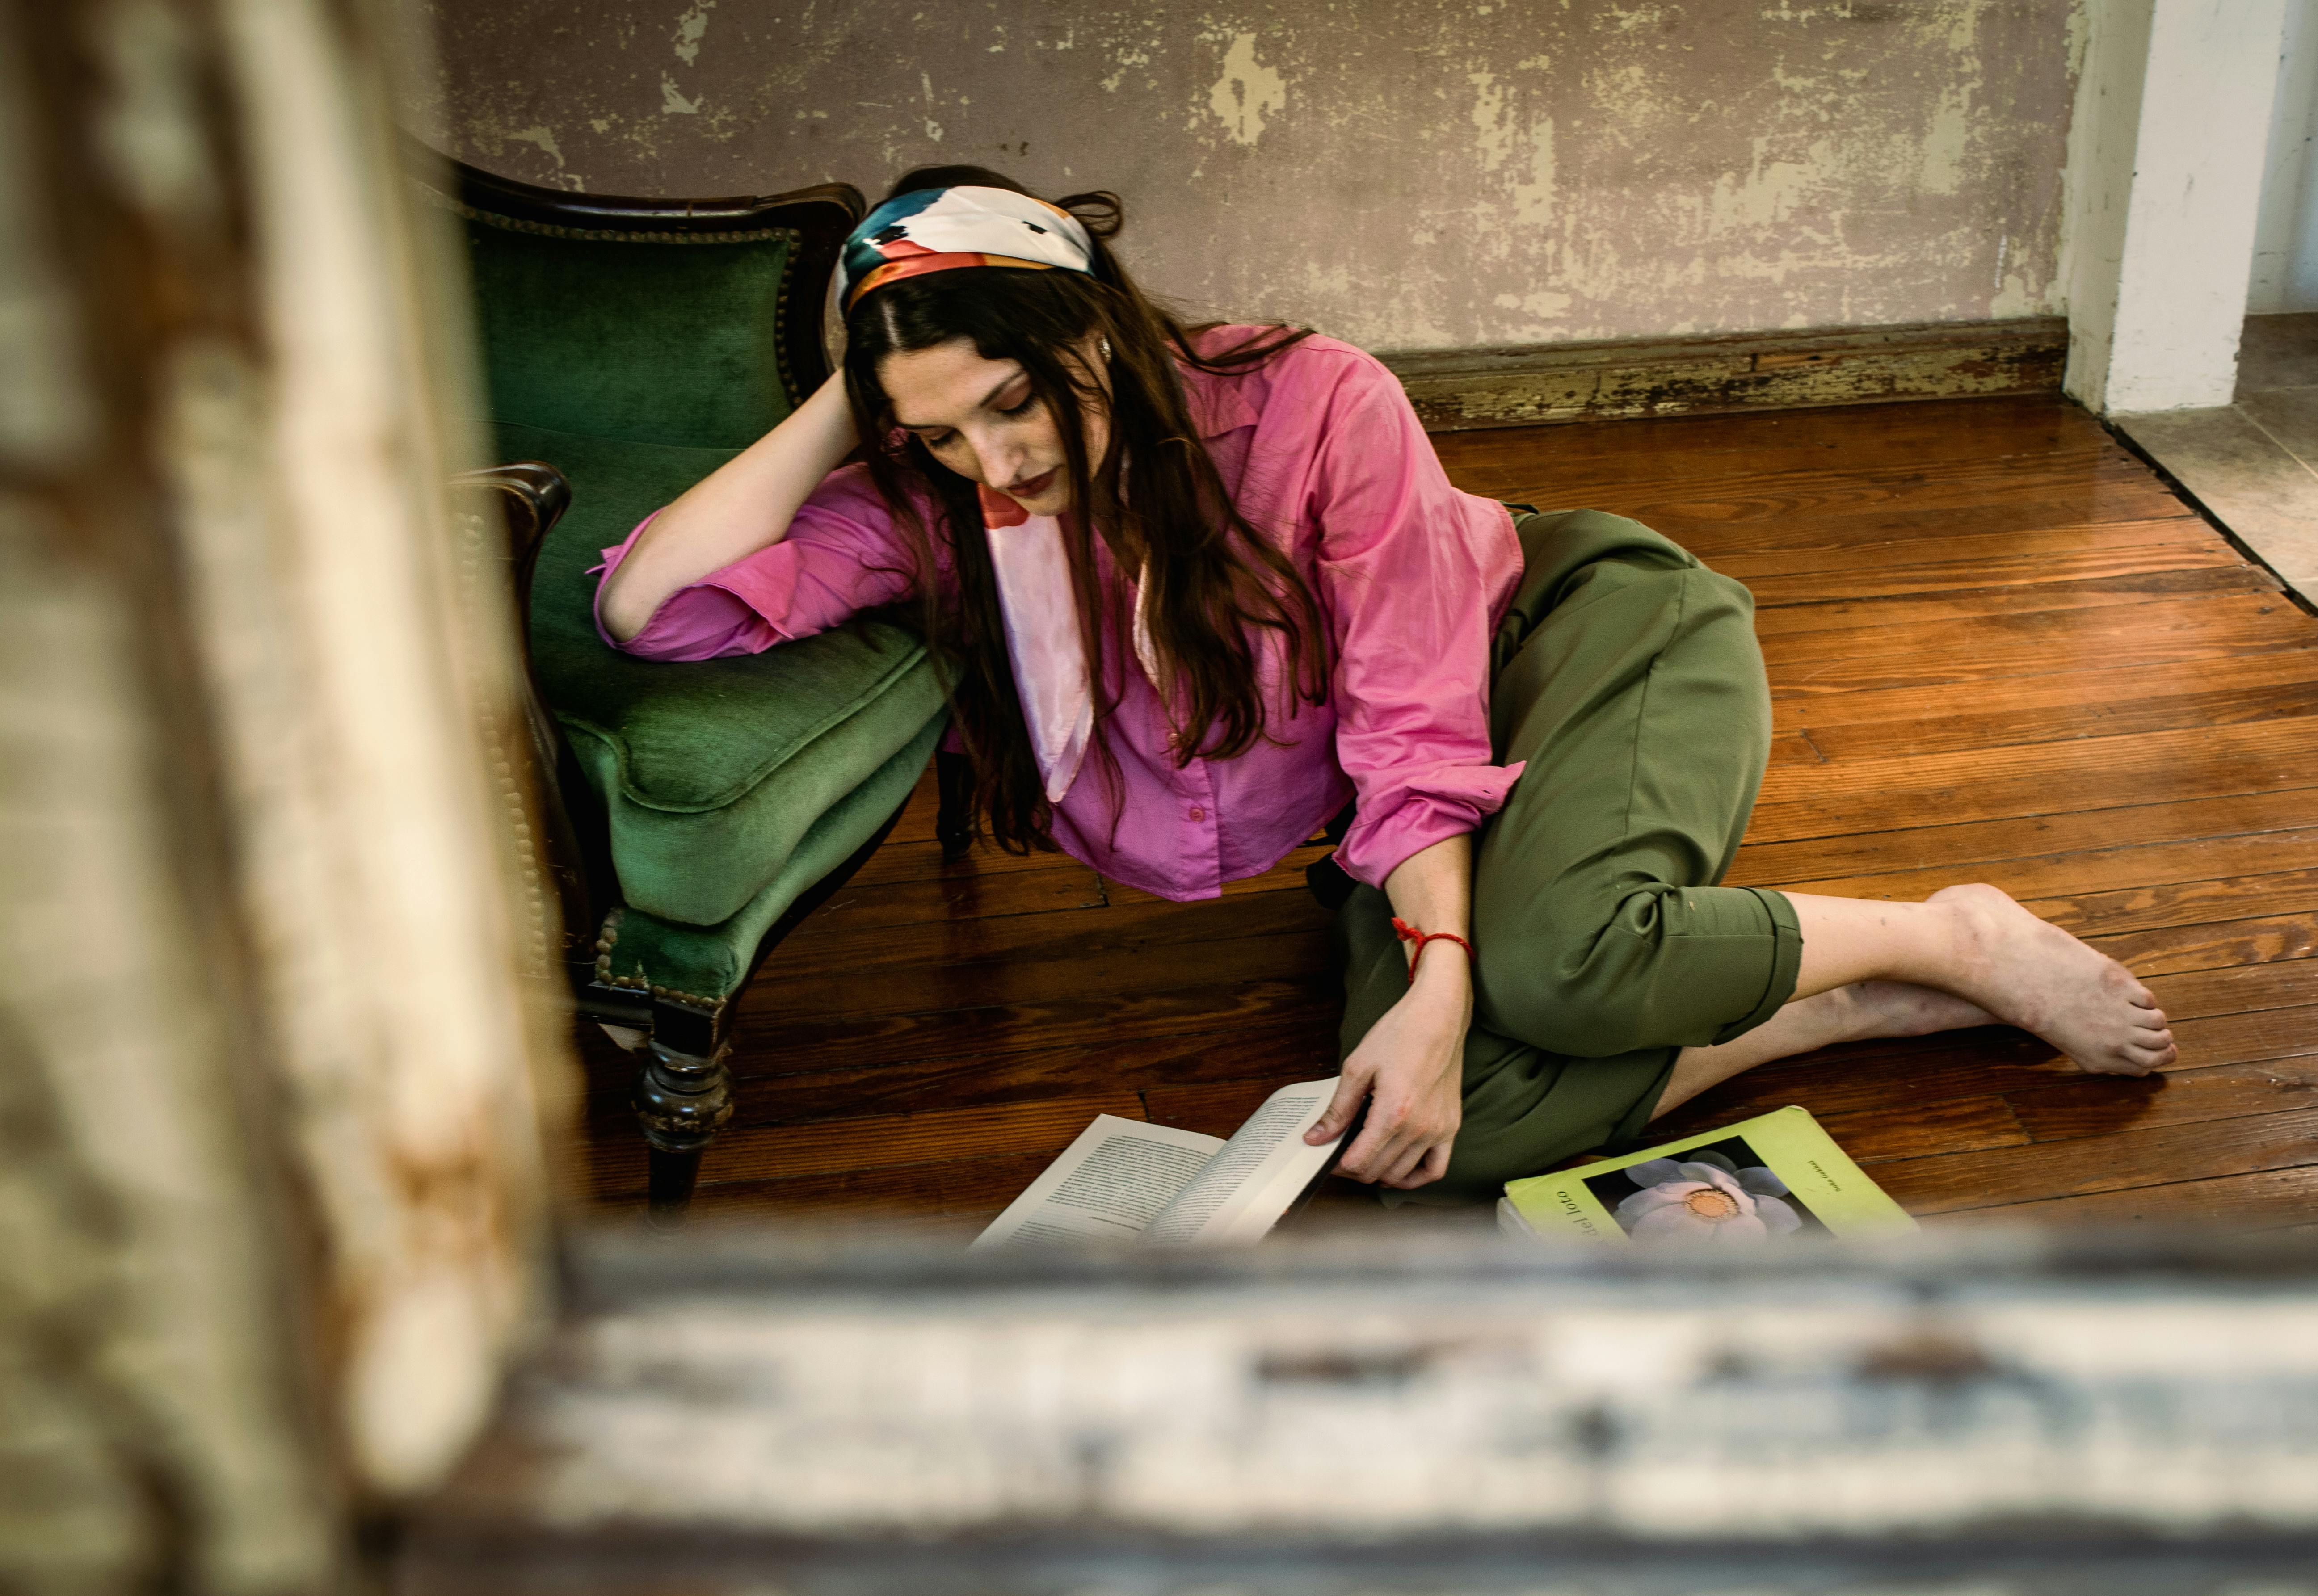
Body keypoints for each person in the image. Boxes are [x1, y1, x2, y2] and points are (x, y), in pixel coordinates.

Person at [595, 168, 2176, 1205]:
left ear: (1092, 326)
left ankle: (1949, 931)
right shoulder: (944, 506)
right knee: (1423, 1129)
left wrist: (1440, 972)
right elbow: (652, 610)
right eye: (941, 433)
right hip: (1393, 794)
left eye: (1013, 400)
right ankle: (1821, 1011)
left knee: (1554, 966)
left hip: (1565, 640)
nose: (996, 461)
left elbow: (1416, 711)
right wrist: (863, 380)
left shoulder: (1307, 397)